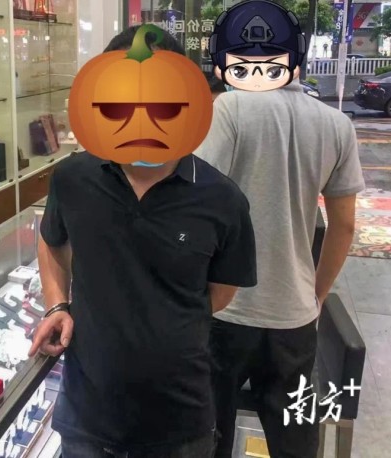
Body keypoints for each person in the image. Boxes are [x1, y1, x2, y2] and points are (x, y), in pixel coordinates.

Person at [28, 25, 258, 458]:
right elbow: (51, 241)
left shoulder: (222, 199)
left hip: (179, 422)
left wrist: (160, 320)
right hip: (86, 419)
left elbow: (220, 292)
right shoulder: (73, 178)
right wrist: (58, 305)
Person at [195, 2, 365, 457]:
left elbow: (196, 204)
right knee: (293, 439)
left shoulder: (229, 110)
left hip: (226, 311)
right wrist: (316, 294)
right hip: (294, 315)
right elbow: (344, 225)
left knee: (207, 435)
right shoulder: (336, 125)